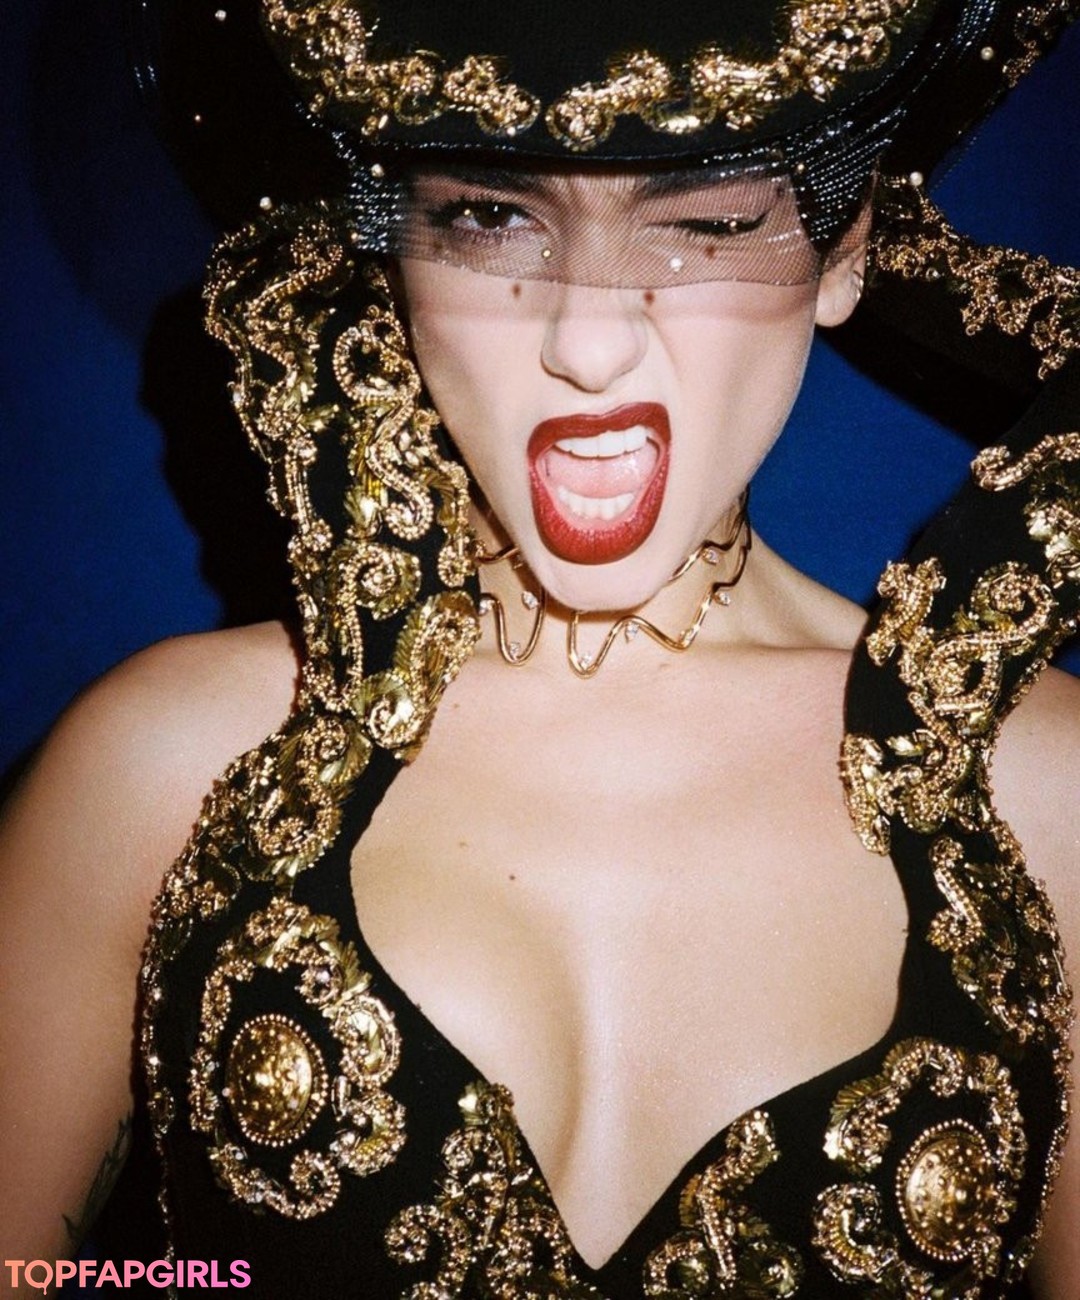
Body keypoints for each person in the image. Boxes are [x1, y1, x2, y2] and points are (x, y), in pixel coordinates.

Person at [1, 0, 1078, 1295]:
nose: (588, 340)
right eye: (491, 217)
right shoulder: (158, 781)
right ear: (389, 248)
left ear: (845, 249)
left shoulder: (1048, 805)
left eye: (705, 223)